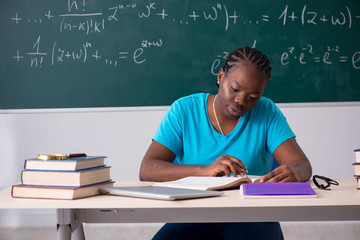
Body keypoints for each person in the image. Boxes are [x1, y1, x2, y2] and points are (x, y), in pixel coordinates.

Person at [139, 46, 312, 240]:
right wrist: (204, 170)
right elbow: (147, 169)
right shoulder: (184, 110)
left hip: (251, 216)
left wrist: (295, 171)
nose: (240, 101)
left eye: (253, 97)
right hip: (193, 214)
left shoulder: (267, 112)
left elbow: (303, 165)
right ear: (221, 76)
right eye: (235, 89)